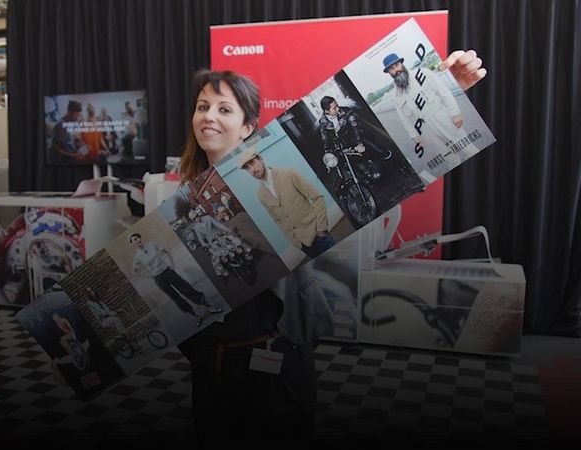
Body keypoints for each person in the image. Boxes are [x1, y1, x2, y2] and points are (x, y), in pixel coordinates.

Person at [175, 52, 486, 445]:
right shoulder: (182, 197)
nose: (209, 116)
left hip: (276, 357)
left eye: (224, 108)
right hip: (212, 367)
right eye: (202, 107)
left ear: (247, 126)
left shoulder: (285, 167)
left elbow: (402, 159)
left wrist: (446, 88)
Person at [383, 50, 480, 180]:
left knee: (467, 147)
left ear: (402, 64)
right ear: (389, 72)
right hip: (427, 128)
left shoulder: (423, 73)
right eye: (392, 69)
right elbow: (404, 118)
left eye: (397, 65)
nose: (396, 70)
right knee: (448, 156)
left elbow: (444, 92)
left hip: (442, 117)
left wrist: (455, 113)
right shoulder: (396, 94)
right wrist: (415, 136)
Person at [238, 149, 336, 259]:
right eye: (247, 168)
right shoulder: (261, 194)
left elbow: (318, 198)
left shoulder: (289, 174)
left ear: (260, 159)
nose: (252, 170)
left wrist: (321, 229)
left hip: (319, 236)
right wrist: (295, 242)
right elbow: (278, 220)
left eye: (252, 163)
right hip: (303, 245)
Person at [130, 232, 223, 327]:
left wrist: (172, 264)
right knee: (175, 298)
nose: (137, 240)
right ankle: (195, 316)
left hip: (168, 271)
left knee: (186, 288)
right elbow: (135, 271)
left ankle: (209, 307)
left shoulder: (152, 244)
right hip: (159, 279)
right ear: (132, 243)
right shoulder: (137, 257)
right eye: (134, 240)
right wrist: (150, 276)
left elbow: (166, 251)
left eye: (137, 238)